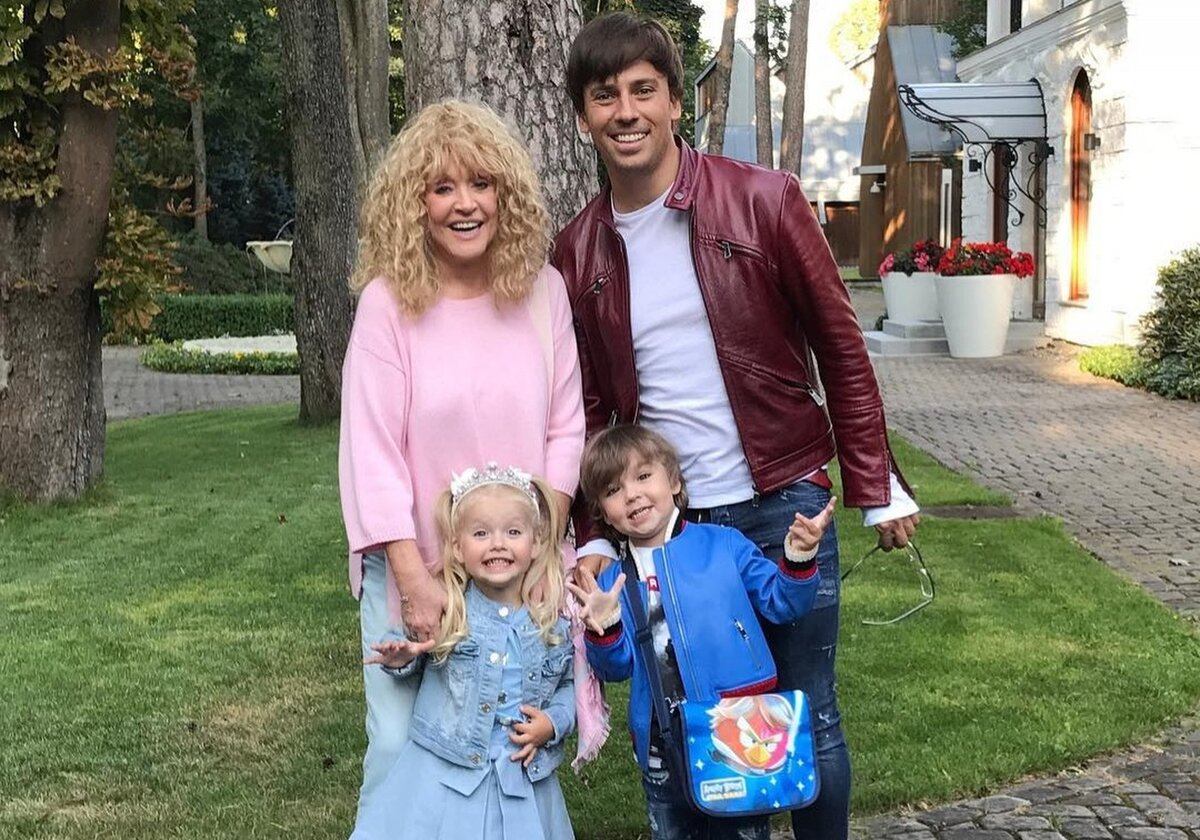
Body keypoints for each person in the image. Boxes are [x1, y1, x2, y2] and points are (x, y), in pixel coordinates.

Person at [553, 14, 920, 839]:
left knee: (808, 710)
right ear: (582, 117)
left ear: (674, 102)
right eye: (605, 96)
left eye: (643, 89)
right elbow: (587, 412)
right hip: (667, 527)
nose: (625, 111)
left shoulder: (765, 200)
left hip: (781, 496)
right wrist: (593, 535)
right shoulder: (575, 253)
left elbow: (840, 345)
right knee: (697, 725)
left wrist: (876, 484)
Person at [338, 99, 585, 824]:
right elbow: (371, 449)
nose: (465, 204)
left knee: (503, 748)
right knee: (398, 745)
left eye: (481, 183)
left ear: (506, 195)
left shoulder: (544, 292)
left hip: (519, 572)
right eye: (442, 188)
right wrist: (414, 579)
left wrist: (543, 555)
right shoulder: (387, 304)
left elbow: (566, 427)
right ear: (415, 204)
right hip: (414, 566)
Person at [567, 425, 834, 840]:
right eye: (613, 490)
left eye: (643, 476)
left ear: (674, 482)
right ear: (602, 511)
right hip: (662, 745)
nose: (632, 494)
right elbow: (615, 668)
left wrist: (799, 558)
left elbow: (783, 603)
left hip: (738, 729)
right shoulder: (614, 582)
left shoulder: (725, 544)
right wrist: (605, 627)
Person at [352, 465, 576, 840]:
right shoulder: (451, 609)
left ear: (536, 543)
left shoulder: (548, 623)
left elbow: (568, 685)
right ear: (458, 547)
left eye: (513, 532)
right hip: (444, 777)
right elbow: (416, 649)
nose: (498, 544)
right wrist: (402, 657)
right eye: (481, 533)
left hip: (520, 777)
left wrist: (552, 724)